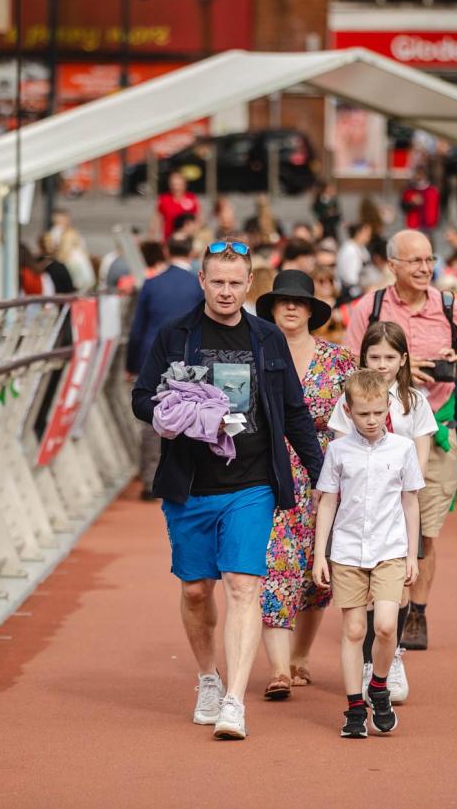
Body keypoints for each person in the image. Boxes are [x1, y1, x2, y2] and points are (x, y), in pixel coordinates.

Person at [130, 239, 324, 740]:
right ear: (201, 281)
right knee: (197, 590)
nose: (226, 292)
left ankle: (235, 700)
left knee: (243, 585)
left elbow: (297, 412)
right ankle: (208, 678)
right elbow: (140, 397)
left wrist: (322, 473)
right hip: (191, 483)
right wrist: (171, 412)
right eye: (217, 281)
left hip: (253, 482)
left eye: (236, 283)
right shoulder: (176, 335)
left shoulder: (267, 338)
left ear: (249, 283)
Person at [342, 230, 457, 650]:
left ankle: (418, 612)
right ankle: (380, 614)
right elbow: (346, 366)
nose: (424, 268)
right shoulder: (371, 307)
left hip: (433, 436)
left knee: (425, 533)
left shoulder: (449, 308)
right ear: (391, 265)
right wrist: (393, 375)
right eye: (414, 261)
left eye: (429, 260)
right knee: (373, 524)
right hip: (375, 435)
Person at [254, 269, 354, 700]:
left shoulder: (339, 360)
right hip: (268, 470)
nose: (291, 307)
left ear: (312, 311)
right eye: (283, 301)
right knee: (274, 567)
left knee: (318, 574)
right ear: (272, 307)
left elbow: (364, 413)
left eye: (299, 301)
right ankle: (278, 670)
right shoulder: (256, 354)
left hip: (325, 474)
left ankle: (300, 657)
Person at [328, 321, 437, 705]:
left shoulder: (413, 401)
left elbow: (421, 451)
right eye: (374, 357)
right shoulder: (351, 401)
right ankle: (365, 658)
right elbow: (342, 452)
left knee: (398, 586)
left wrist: (407, 481)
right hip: (360, 503)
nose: (382, 364)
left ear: (403, 360)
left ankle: (392, 656)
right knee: (363, 588)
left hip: (398, 496)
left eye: (390, 357)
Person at [313, 368, 423, 738]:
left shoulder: (403, 449)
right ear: (348, 410)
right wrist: (319, 555)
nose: (371, 420)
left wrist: (411, 554)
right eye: (363, 413)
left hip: (390, 548)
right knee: (355, 629)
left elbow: (410, 501)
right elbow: (327, 502)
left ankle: (378, 684)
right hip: (346, 551)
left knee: (386, 625)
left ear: (388, 407)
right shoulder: (338, 451)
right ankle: (354, 708)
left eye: (377, 412)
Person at [126, 236, 204, 498]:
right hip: (188, 357)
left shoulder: (151, 284)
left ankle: (149, 479)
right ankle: (182, 475)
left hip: (151, 353)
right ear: (191, 252)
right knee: (187, 410)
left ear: (167, 251)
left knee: (153, 416)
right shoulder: (197, 285)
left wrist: (131, 362)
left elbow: (137, 328)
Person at [155, 172, 200, 241]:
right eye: (174, 185)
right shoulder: (164, 199)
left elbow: (198, 218)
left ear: (185, 185)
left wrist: (194, 232)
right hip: (169, 239)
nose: (176, 187)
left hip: (188, 240)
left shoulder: (191, 198)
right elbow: (157, 219)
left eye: (179, 185)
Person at [310, 266, 346, 345]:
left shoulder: (342, 302)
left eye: (330, 280)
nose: (327, 284)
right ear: (312, 283)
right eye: (321, 281)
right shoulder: (310, 305)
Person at [400, 168, 440, 237]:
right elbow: (403, 207)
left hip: (428, 226)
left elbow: (437, 208)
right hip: (413, 225)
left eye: (421, 174)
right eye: (417, 174)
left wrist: (435, 222)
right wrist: (412, 203)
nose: (419, 176)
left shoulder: (433, 191)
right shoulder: (409, 190)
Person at [336, 223, 371, 300]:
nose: (369, 237)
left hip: (360, 288)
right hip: (351, 292)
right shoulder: (349, 250)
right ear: (358, 233)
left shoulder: (361, 247)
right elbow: (350, 278)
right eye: (366, 234)